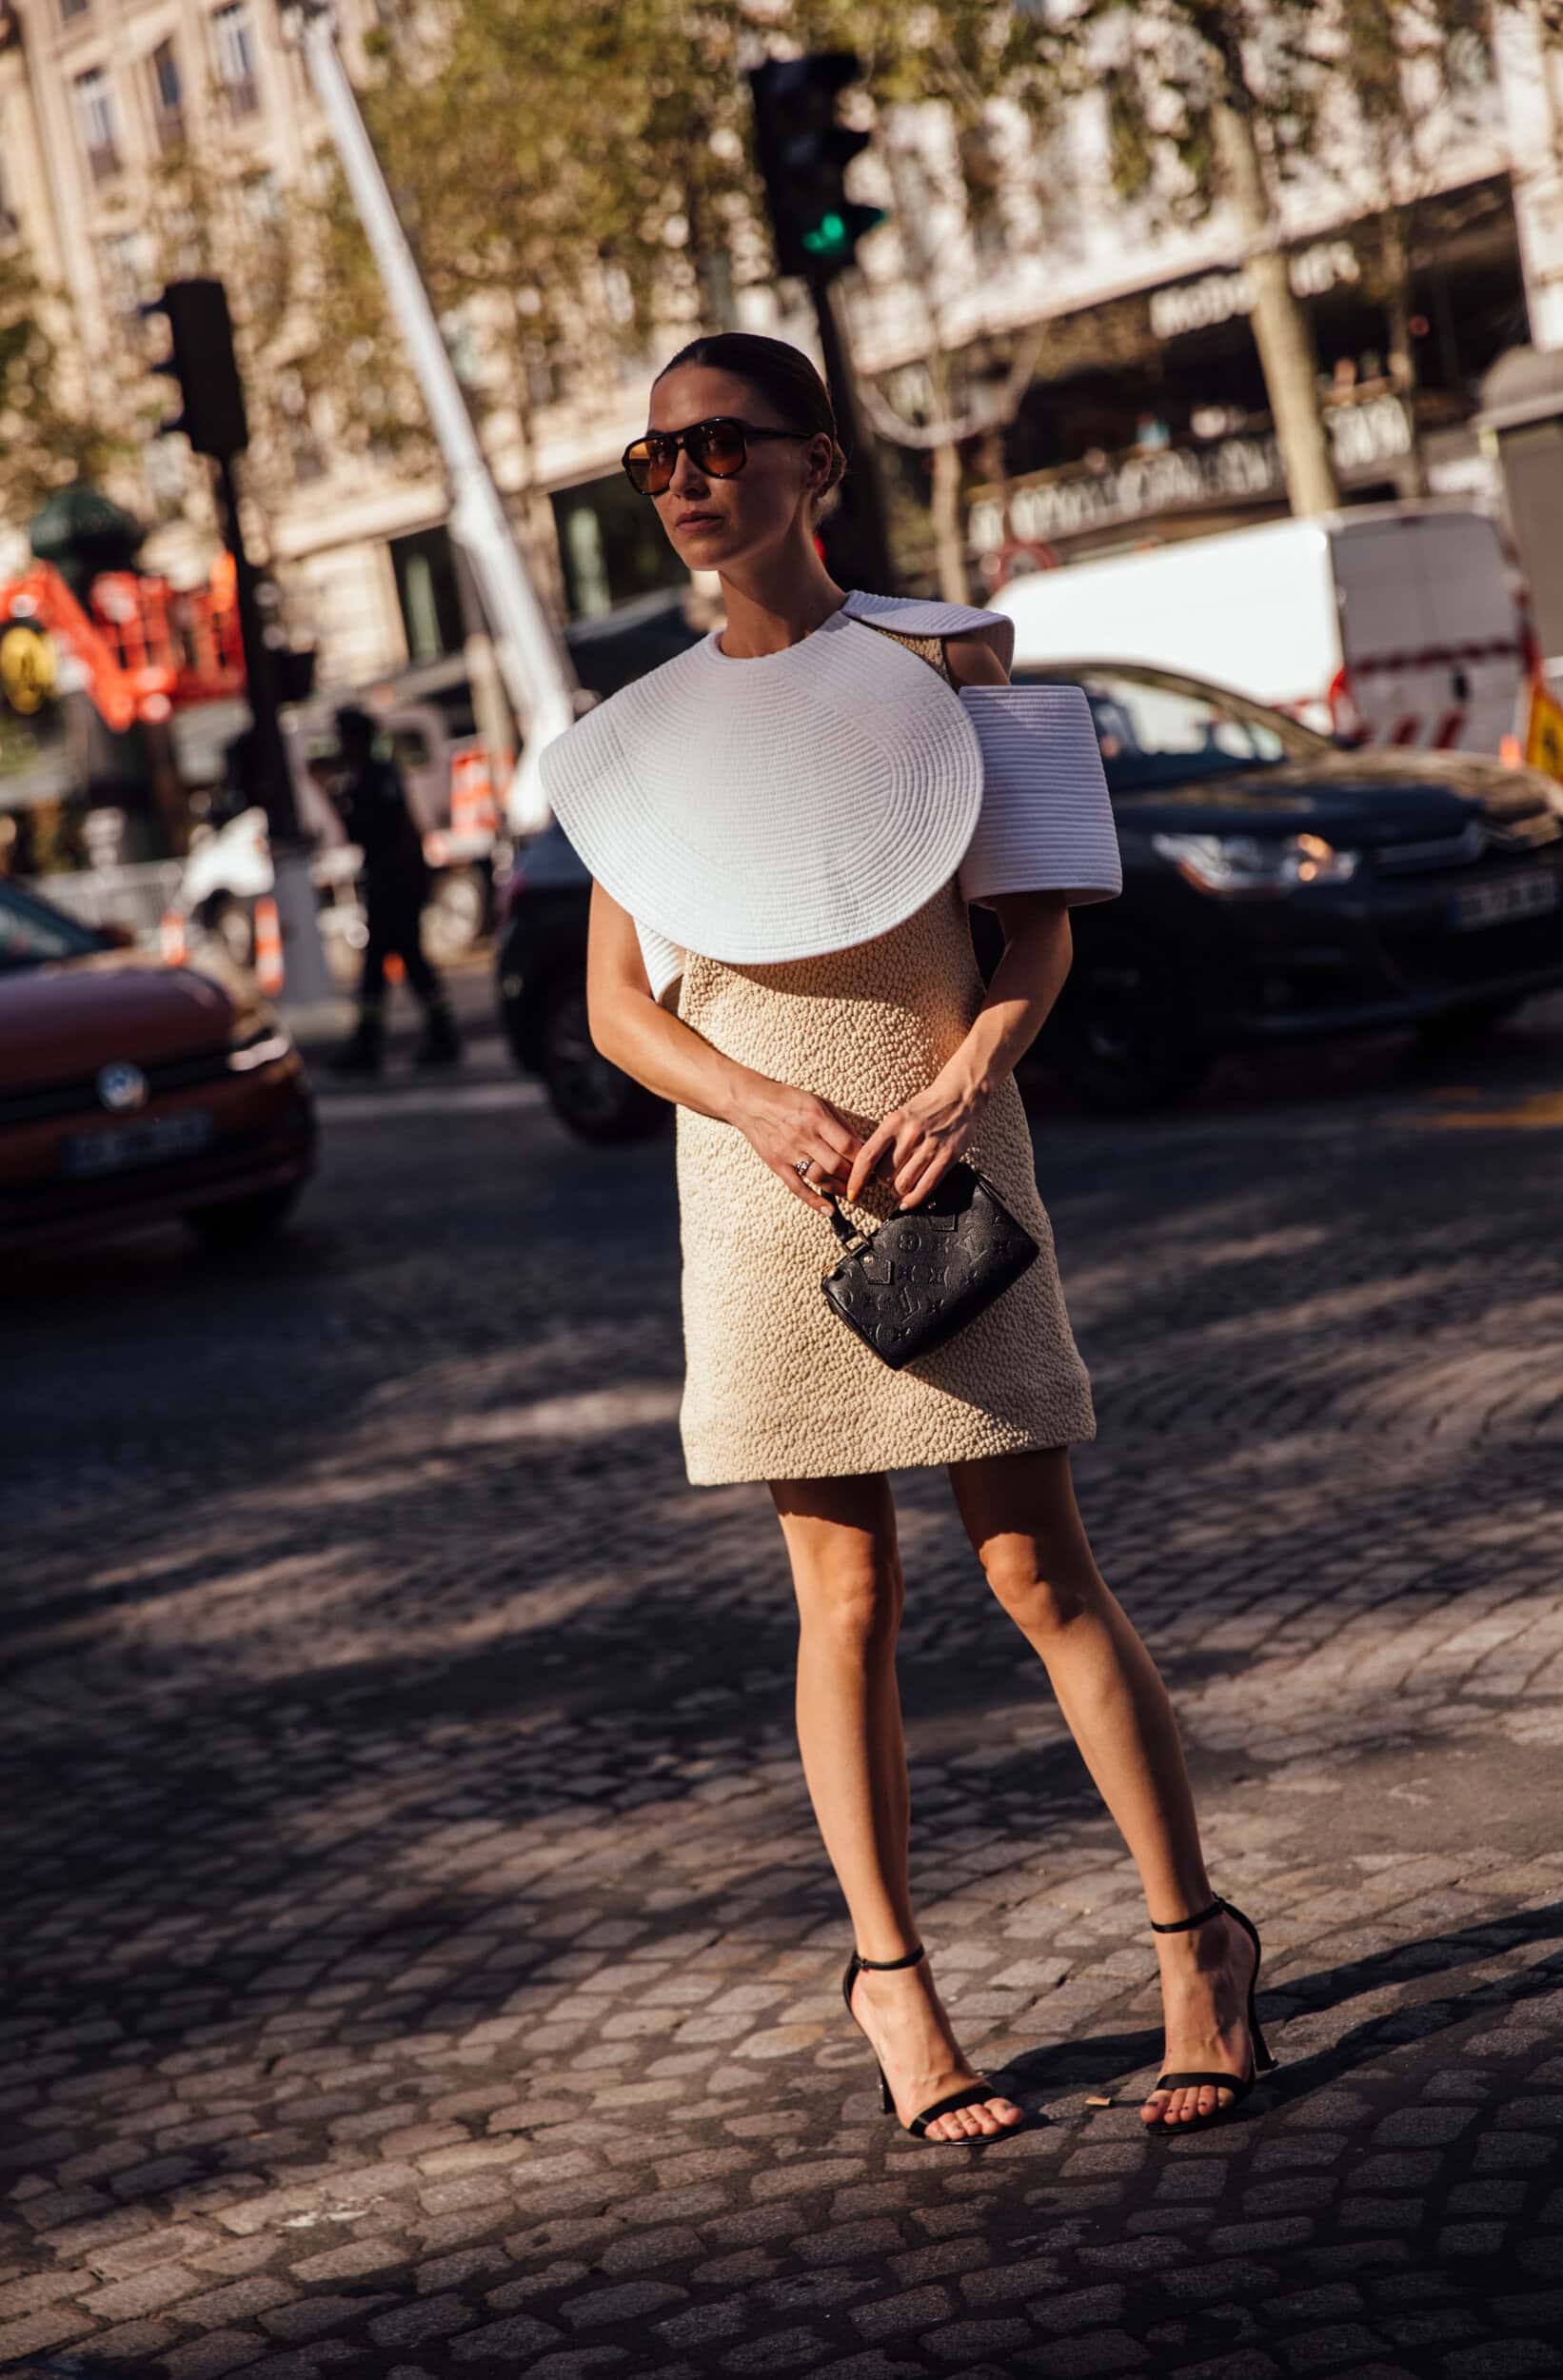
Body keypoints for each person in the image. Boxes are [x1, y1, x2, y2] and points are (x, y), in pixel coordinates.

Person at [543, 331, 1272, 2147]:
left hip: (946, 1149)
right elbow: (620, 1009)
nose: (686, 479)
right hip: (760, 1183)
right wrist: (754, 1106)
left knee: (1035, 1567)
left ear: (818, 462)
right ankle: (892, 1987)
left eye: (722, 444)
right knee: (841, 1598)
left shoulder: (950, 659)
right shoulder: (629, 736)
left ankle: (1195, 1943)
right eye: (657, 458)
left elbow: (1038, 931)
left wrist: (960, 1081)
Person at [326, 705, 461, 1073]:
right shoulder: (370, 776)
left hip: (394, 882)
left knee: (390, 965)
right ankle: (427, 1036)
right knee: (398, 964)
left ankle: (377, 1046)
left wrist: (334, 800)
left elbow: (373, 830)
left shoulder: (375, 776)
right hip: (392, 879)